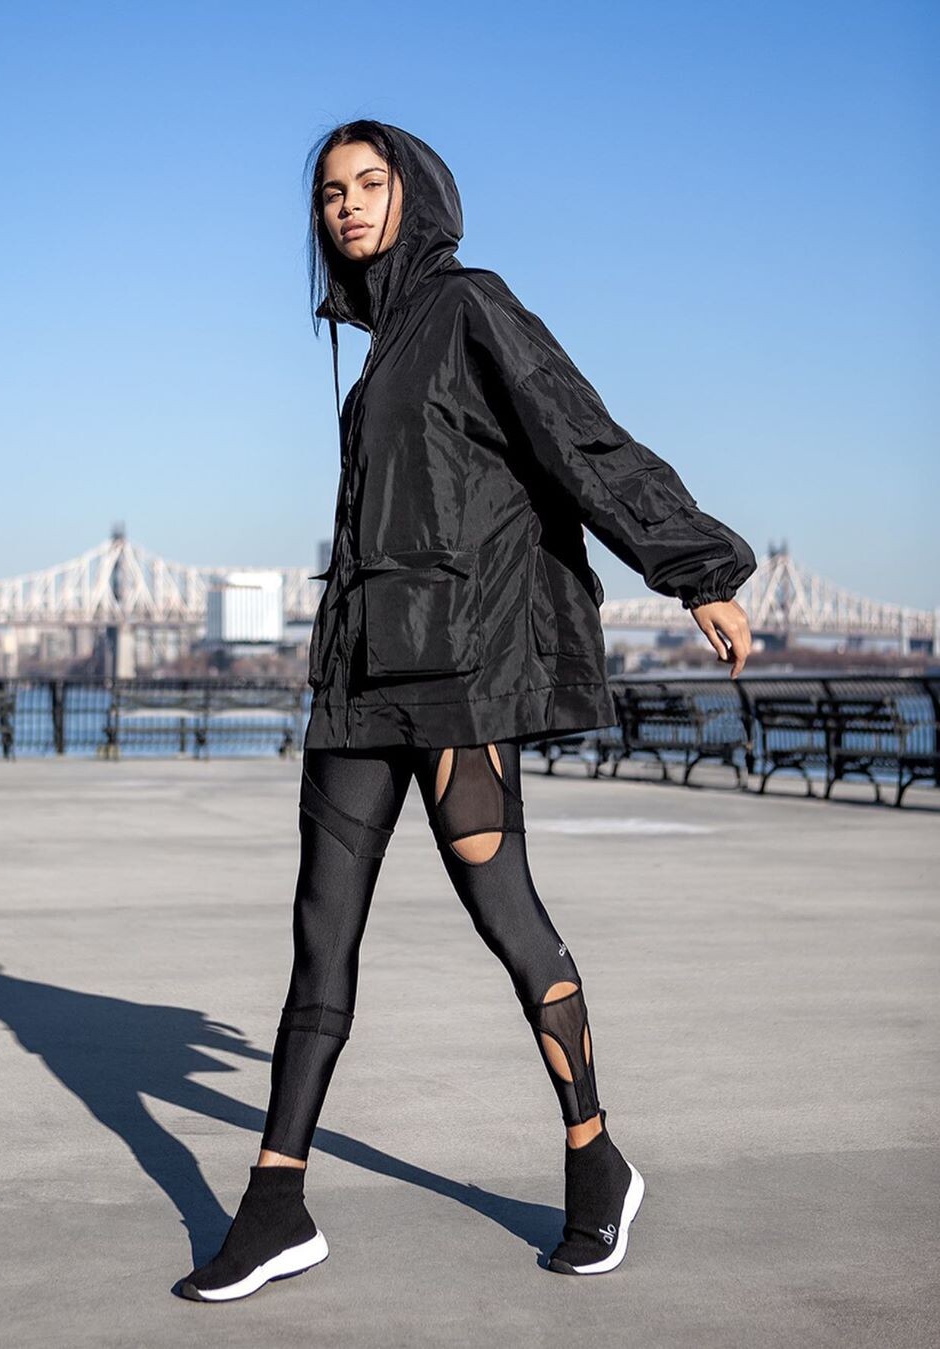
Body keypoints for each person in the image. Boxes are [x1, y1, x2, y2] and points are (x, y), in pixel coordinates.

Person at [179, 120, 756, 1302]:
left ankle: (596, 1159)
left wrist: (697, 567)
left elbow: (578, 433)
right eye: (329, 192)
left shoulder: (469, 306)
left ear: (417, 194)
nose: (346, 204)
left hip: (456, 672)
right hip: (359, 674)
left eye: (369, 183)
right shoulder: (378, 350)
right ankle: (277, 1202)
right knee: (319, 936)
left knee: (508, 918)